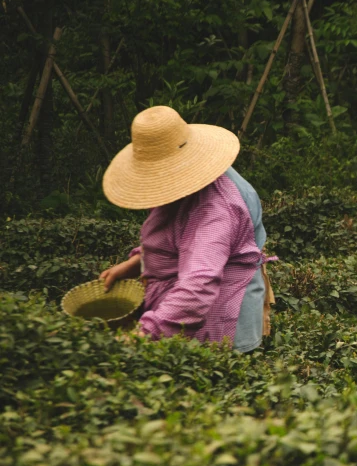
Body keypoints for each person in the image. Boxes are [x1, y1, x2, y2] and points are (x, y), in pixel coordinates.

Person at [99, 105, 274, 353]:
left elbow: (197, 287)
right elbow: (178, 232)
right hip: (187, 308)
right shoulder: (190, 182)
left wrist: (142, 336)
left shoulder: (215, 211)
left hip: (217, 321)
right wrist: (136, 262)